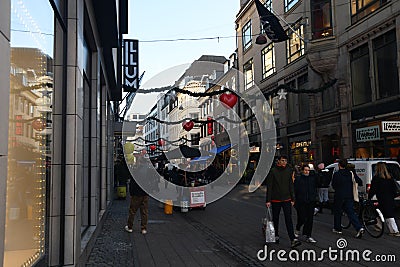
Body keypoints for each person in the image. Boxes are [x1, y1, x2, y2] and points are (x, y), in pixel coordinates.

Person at [266, 155, 301, 248]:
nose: (284, 162)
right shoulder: (273, 171)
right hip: (275, 199)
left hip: (286, 198)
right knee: (275, 218)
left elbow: (291, 185)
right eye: (282, 160)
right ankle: (276, 235)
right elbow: (270, 186)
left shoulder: (289, 171)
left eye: (285, 160)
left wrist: (293, 198)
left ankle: (292, 239)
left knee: (288, 219)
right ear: (278, 161)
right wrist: (268, 200)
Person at [332, 158, 364, 238]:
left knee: (338, 212)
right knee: (351, 212)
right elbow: (359, 182)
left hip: (339, 195)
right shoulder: (350, 173)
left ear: (339, 165)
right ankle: (358, 227)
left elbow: (334, 185)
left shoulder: (336, 174)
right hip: (349, 196)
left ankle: (338, 228)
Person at [368, 162, 400, 236]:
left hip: (382, 198)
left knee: (387, 214)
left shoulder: (377, 178)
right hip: (390, 198)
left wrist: (369, 197)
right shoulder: (390, 178)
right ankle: (379, 226)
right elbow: (395, 189)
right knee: (385, 212)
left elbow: (373, 189)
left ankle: (394, 231)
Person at [124, 157, 149, 234]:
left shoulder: (135, 170)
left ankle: (130, 227)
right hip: (145, 193)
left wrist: (131, 193)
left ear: (139, 162)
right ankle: (143, 228)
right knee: (144, 212)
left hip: (136, 193)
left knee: (132, 211)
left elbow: (132, 183)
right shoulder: (148, 171)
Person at [294, 165, 317, 243]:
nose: (307, 172)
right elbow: (295, 190)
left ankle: (308, 235)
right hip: (301, 202)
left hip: (310, 201)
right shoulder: (299, 179)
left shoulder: (312, 179)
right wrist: (295, 201)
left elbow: (317, 185)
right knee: (302, 217)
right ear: (302, 171)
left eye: (308, 170)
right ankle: (298, 228)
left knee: (310, 219)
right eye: (305, 170)